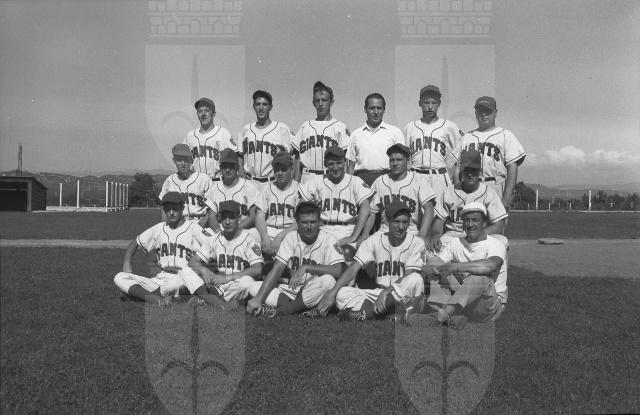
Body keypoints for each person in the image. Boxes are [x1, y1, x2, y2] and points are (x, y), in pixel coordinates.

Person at [317, 200, 426, 321]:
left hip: (402, 295)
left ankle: (365, 314)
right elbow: (353, 269)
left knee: (415, 279)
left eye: (405, 222)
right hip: (379, 294)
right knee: (342, 293)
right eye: (396, 222)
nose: (401, 227)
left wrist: (386, 292)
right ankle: (388, 314)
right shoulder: (373, 240)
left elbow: (409, 275)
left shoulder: (417, 243)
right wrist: (332, 292)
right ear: (387, 221)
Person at [113, 192, 225, 307]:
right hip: (161, 277)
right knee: (119, 277)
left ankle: (139, 295)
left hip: (183, 277)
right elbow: (135, 243)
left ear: (182, 208)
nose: (171, 213)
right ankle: (158, 299)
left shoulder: (194, 229)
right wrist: (127, 263)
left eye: (175, 209)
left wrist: (206, 269)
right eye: (167, 209)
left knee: (176, 283)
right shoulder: (159, 228)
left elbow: (215, 246)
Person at [246, 201, 345, 317]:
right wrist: (258, 299)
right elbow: (277, 269)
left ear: (320, 222)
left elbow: (339, 270)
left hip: (316, 289)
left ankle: (282, 311)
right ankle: (303, 308)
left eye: (313, 222)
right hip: (293, 290)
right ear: (297, 223)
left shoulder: (330, 239)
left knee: (328, 281)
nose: (309, 227)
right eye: (304, 222)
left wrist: (307, 267)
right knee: (253, 287)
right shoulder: (291, 237)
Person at [422, 202, 507, 327]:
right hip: (466, 299)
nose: (470, 224)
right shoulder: (456, 243)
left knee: (479, 278)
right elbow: (433, 265)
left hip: (490, 304)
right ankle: (440, 309)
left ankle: (441, 317)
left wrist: (454, 267)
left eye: (475, 220)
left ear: (484, 223)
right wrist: (434, 269)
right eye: (467, 220)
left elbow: (489, 266)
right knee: (438, 268)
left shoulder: (496, 244)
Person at [427, 149, 508, 253]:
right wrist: (435, 235)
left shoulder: (489, 193)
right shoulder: (449, 192)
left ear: (479, 171)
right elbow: (439, 220)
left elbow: (498, 226)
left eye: (473, 170)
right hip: (453, 236)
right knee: (431, 251)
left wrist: (477, 235)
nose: (470, 174)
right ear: (461, 170)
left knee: (502, 241)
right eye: (467, 170)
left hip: (480, 236)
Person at [451, 96, 526, 209]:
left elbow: (512, 167)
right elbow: (457, 168)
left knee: (496, 220)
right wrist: (458, 193)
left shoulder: (506, 135)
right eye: (480, 111)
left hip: (495, 185)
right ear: (475, 113)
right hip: (469, 188)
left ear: (495, 113)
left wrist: (506, 198)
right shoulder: (467, 137)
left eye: (488, 111)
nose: (484, 114)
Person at [183, 200, 263, 306]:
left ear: (239, 217)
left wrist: (226, 278)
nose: (227, 222)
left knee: (247, 283)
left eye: (231, 217)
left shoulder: (249, 239)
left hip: (236, 283)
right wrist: (205, 271)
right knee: (186, 270)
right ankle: (220, 302)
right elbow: (193, 261)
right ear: (219, 219)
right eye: (224, 217)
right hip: (217, 283)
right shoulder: (214, 239)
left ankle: (207, 300)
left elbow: (257, 269)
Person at [298, 145, 374, 254]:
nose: (335, 167)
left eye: (339, 163)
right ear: (325, 164)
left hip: (348, 230)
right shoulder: (317, 181)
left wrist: (354, 236)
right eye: (331, 164)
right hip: (323, 231)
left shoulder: (355, 181)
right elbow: (300, 207)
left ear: (345, 163)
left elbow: (366, 208)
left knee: (347, 254)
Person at [362, 143, 436, 240]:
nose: (395, 163)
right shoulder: (380, 181)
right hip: (385, 231)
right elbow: (372, 212)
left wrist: (421, 237)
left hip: (410, 231)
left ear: (407, 161)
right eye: (392, 160)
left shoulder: (419, 180)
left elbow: (429, 209)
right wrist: (364, 235)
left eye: (399, 160)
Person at [403, 85, 463, 196]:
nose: (430, 107)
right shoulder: (410, 127)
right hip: (415, 176)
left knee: (442, 206)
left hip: (439, 177)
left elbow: (461, 149)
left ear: (439, 103)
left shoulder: (449, 126)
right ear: (420, 103)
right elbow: (404, 157)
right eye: (426, 103)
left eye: (434, 103)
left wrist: (451, 167)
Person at [291, 81, 350, 183]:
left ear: (331, 102)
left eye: (324, 100)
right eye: (317, 101)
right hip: (307, 177)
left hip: (330, 178)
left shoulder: (339, 127)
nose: (321, 104)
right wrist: (295, 184)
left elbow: (345, 161)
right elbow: (297, 160)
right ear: (313, 103)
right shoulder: (305, 127)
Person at [235, 90, 294, 186]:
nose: (261, 108)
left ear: (270, 107)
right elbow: (238, 154)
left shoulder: (281, 129)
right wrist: (241, 172)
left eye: (265, 104)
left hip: (273, 182)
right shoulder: (246, 130)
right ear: (254, 107)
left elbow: (294, 154)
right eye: (258, 104)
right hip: (250, 182)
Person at [346, 93, 405, 186]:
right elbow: (351, 166)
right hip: (361, 181)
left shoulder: (395, 132)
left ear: (384, 110)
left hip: (387, 179)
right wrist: (350, 187)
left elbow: (402, 162)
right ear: (365, 109)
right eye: (372, 108)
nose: (376, 112)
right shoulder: (355, 134)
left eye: (379, 108)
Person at [205, 148, 259, 239]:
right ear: (220, 168)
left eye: (231, 166)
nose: (228, 170)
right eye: (225, 166)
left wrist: (235, 229)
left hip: (243, 229)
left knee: (255, 233)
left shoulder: (249, 187)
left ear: (237, 167)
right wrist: (219, 232)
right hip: (221, 230)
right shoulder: (213, 189)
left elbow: (253, 216)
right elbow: (212, 216)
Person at [254, 151, 300, 256]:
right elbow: (259, 216)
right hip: (268, 230)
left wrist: (280, 237)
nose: (280, 173)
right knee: (249, 235)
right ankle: (256, 262)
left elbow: (300, 221)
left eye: (283, 169)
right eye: (277, 169)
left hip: (289, 232)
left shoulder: (299, 189)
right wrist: (264, 237)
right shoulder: (267, 188)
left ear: (291, 169)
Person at [159, 143, 215, 229]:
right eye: (179, 160)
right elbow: (163, 207)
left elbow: (212, 208)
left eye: (185, 159)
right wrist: (164, 228)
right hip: (178, 225)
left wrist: (199, 227)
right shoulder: (169, 181)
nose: (182, 163)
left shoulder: (204, 179)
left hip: (201, 224)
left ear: (191, 160)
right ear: (173, 160)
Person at [183, 97, 236, 181]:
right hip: (195, 182)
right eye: (200, 111)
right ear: (197, 114)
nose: (203, 114)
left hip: (217, 182)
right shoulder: (190, 136)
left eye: (207, 110)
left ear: (214, 114)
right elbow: (183, 160)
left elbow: (236, 156)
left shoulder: (223, 133)